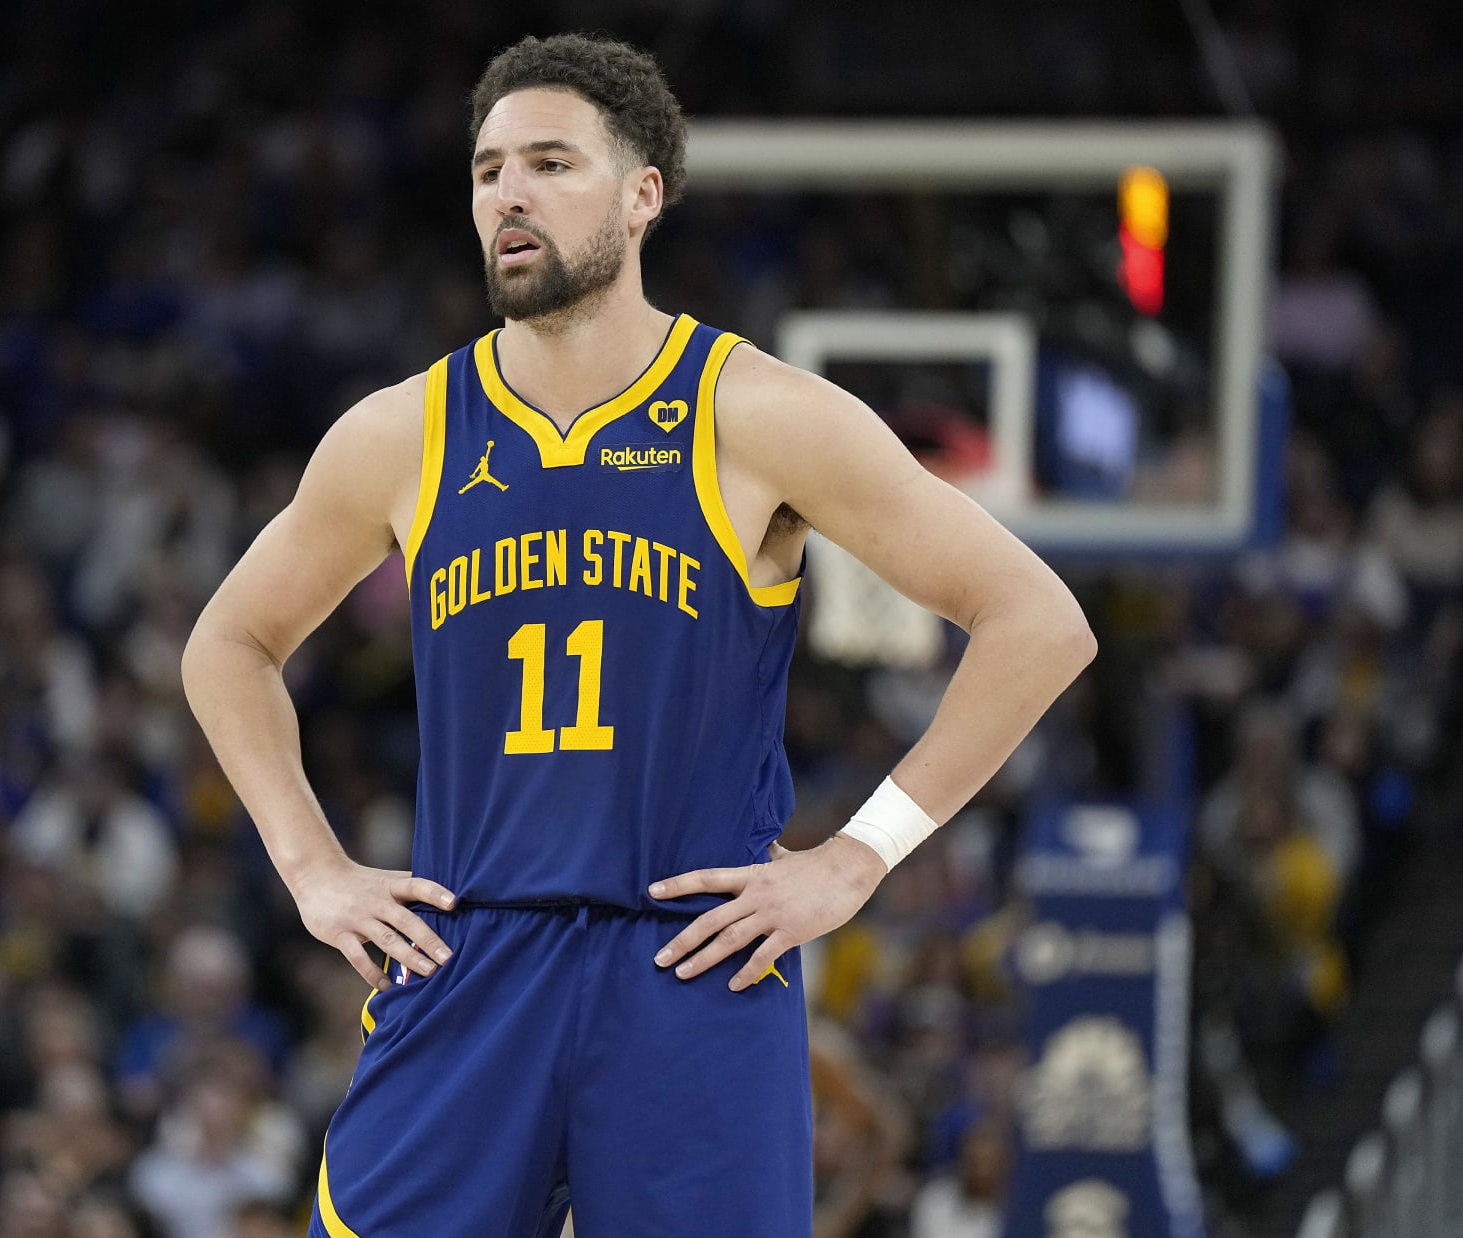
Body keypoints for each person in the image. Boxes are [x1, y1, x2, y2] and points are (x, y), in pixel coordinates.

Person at [181, 32, 1095, 1237]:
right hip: (470, 962)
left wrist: (854, 858)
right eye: (488, 168)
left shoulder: (757, 412)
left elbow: (1039, 619)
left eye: (551, 163)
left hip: (690, 963)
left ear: (642, 193)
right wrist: (311, 867)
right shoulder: (402, 433)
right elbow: (227, 644)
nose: (508, 191)